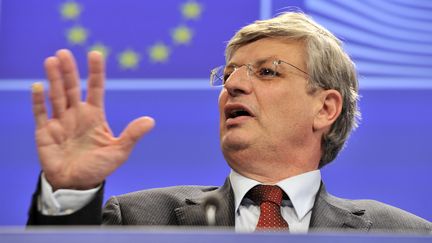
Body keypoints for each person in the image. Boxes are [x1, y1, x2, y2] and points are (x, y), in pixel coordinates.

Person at [27, 12, 431, 233]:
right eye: (229, 73)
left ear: (325, 109)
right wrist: (69, 194)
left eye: (268, 72)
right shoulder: (138, 220)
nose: (233, 84)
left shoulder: (401, 233)